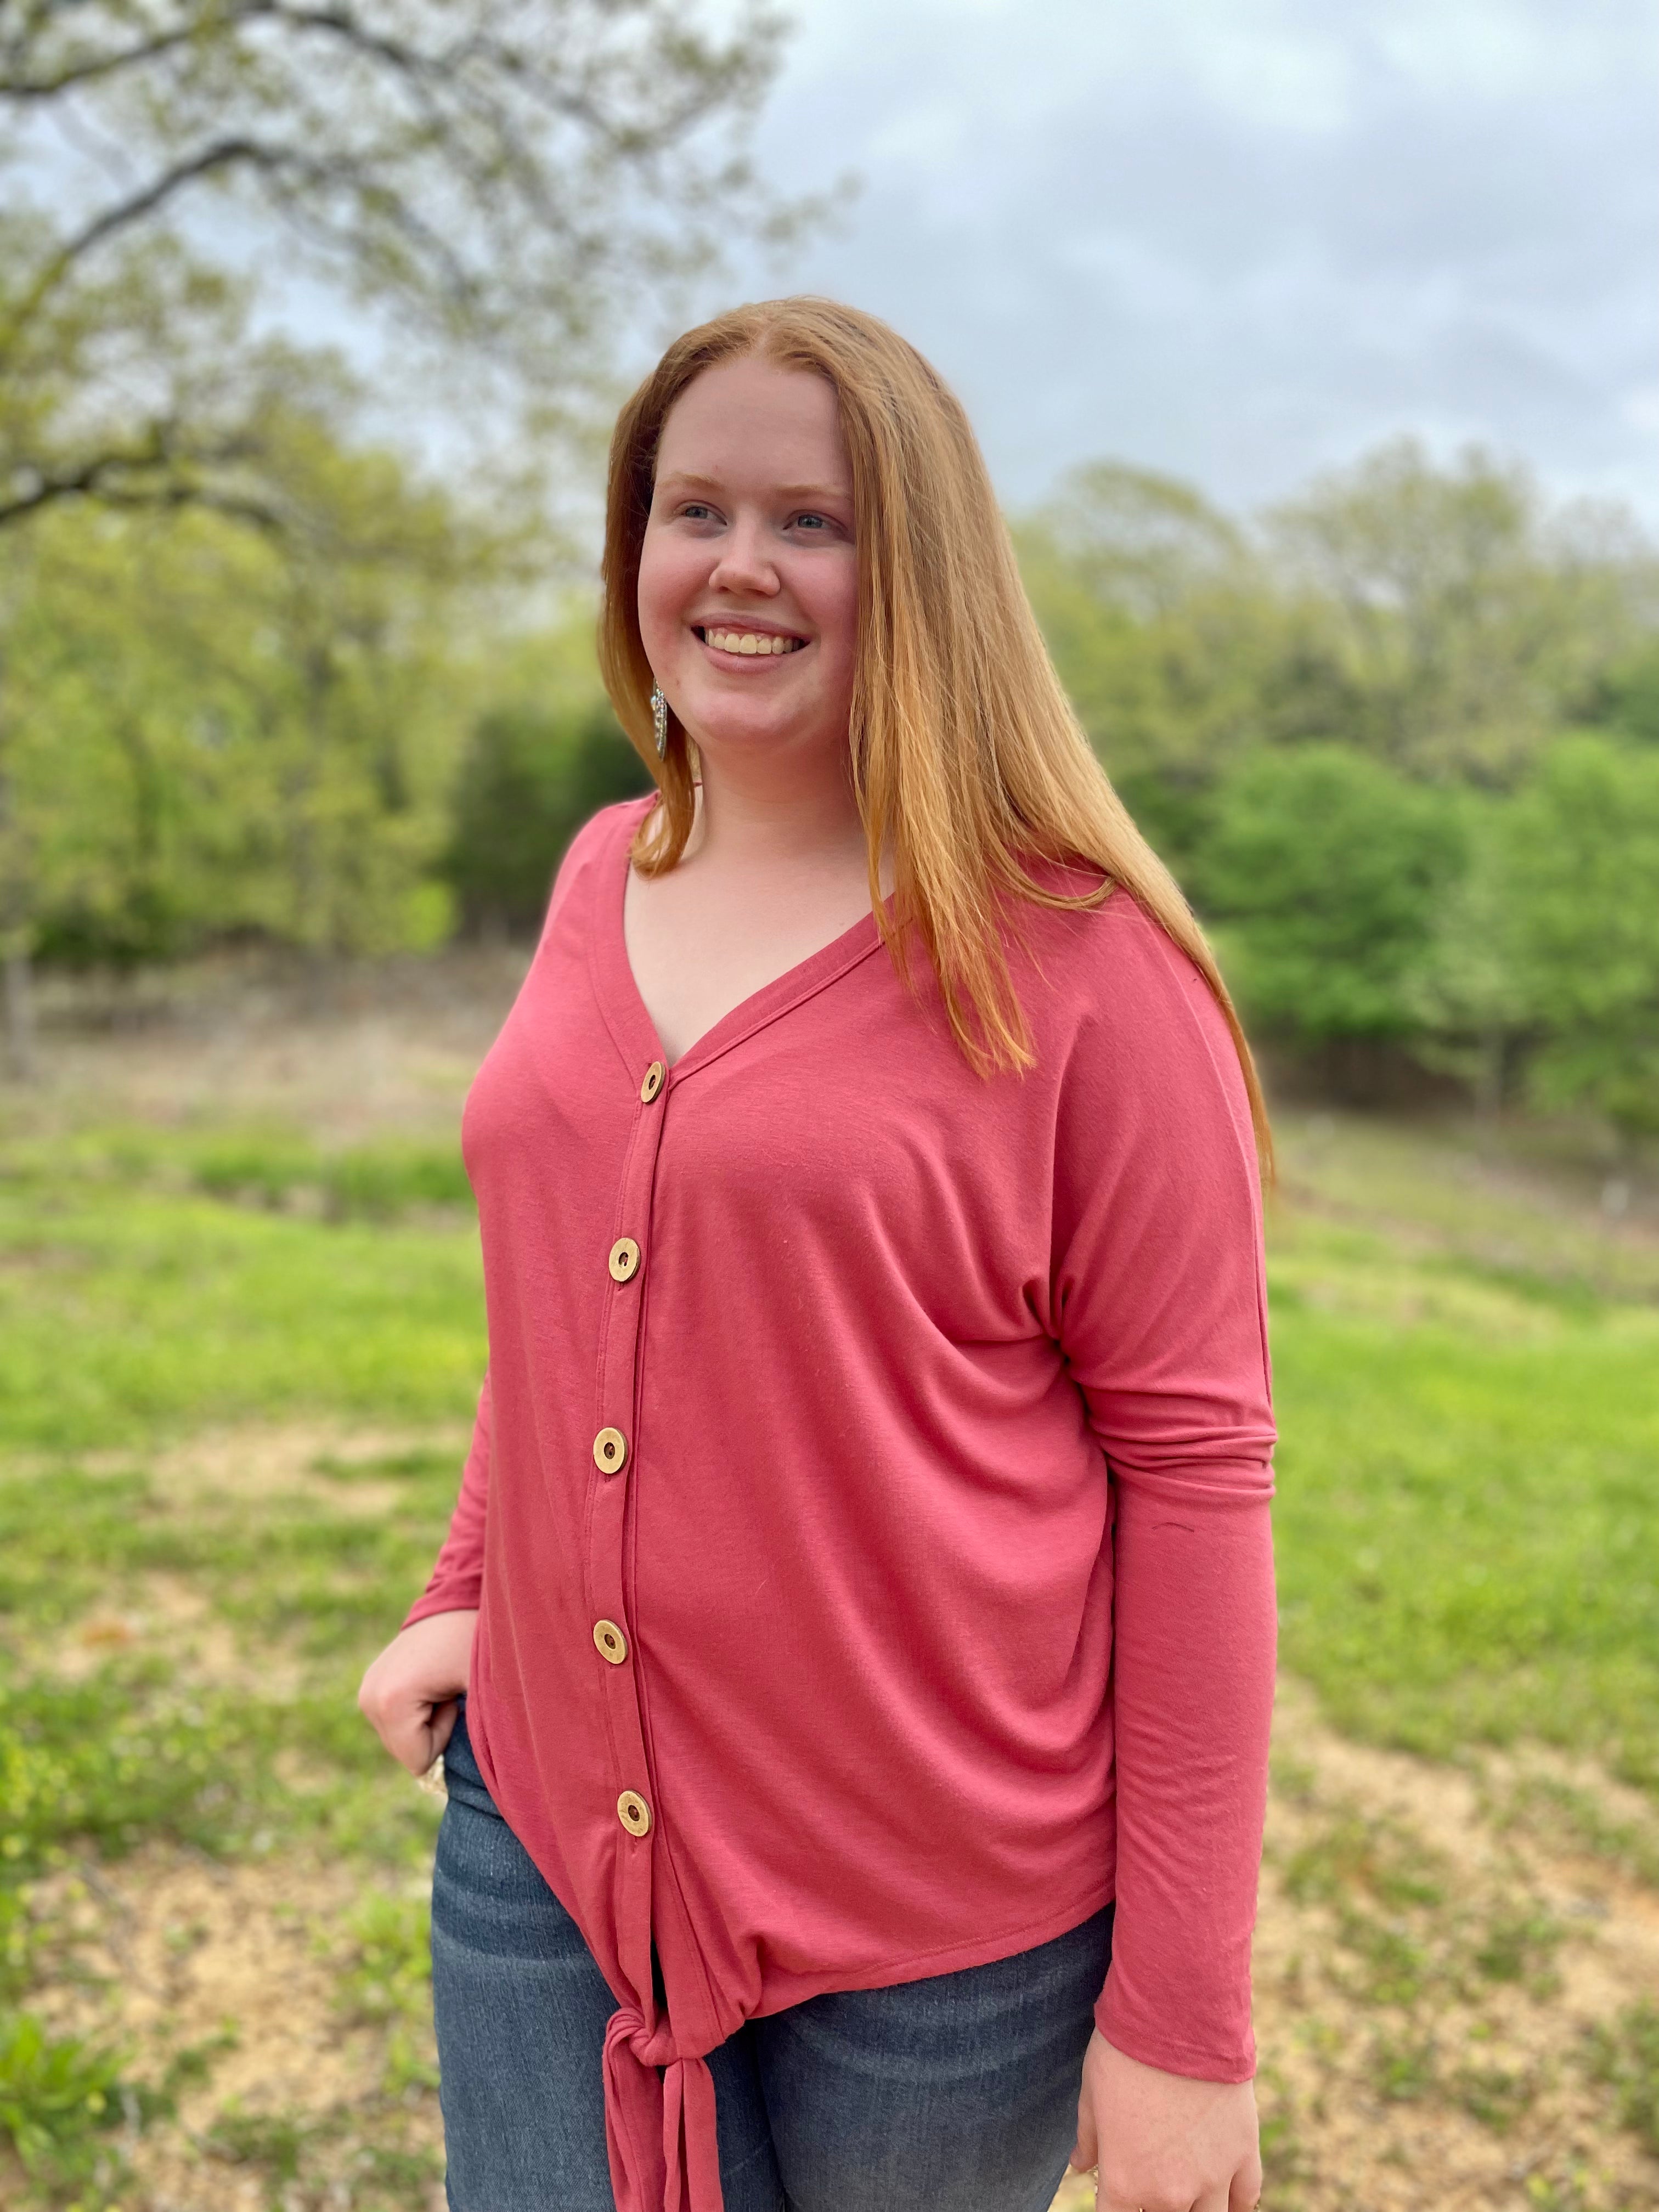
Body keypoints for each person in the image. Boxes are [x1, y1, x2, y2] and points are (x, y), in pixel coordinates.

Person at [358, 296, 1277, 2212]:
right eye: (693, 510)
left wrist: (1184, 2021)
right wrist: (466, 1581)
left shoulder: (1090, 967)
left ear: (923, 568)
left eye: (817, 522)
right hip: (545, 1851)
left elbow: (1196, 1478)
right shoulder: (600, 871)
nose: (740, 570)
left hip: (940, 1943)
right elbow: (570, 1294)